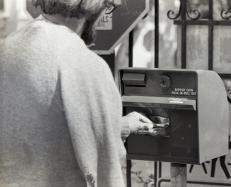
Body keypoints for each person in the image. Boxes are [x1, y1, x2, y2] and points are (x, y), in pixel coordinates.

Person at [0, 0, 153, 186]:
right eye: (109, 5)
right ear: (95, 5)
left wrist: (119, 126)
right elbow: (104, 168)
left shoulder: (7, 50)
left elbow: (44, 128)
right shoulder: (85, 65)